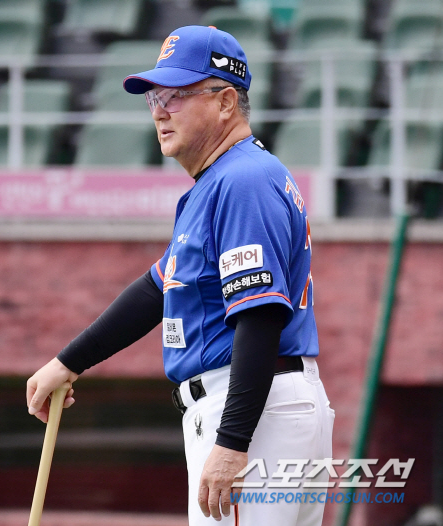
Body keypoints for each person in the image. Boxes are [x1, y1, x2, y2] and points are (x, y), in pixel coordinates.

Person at [26, 25, 334, 526]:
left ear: (225, 102)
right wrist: (68, 361)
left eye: (176, 95)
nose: (160, 111)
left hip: (252, 417)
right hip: (264, 409)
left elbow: (260, 316)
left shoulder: (241, 181)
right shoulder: (220, 182)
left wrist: (233, 443)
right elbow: (156, 289)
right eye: (153, 98)